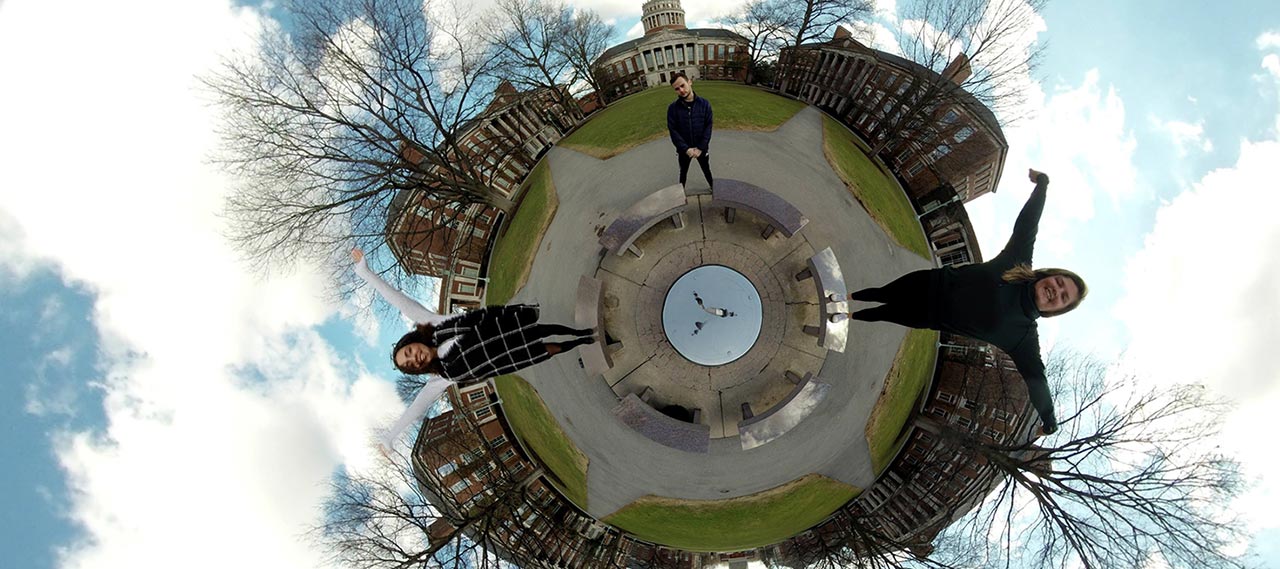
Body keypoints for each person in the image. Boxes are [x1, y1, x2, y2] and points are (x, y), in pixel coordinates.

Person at [847, 169, 1087, 435]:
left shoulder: (1023, 338)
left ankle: (849, 316)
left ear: (1059, 310)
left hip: (925, 315)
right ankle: (846, 298)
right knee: (883, 293)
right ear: (1050, 275)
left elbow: (1036, 380)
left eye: (1063, 297)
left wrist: (1049, 420)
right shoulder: (1017, 264)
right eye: (1059, 282)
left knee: (883, 313)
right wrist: (1043, 184)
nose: (1056, 291)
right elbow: (1029, 223)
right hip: (928, 282)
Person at [352, 248, 595, 447]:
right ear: (418, 369)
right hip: (507, 356)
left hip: (503, 327)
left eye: (409, 352)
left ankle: (580, 333)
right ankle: (579, 342)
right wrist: (390, 436)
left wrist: (366, 273)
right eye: (411, 364)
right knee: (548, 349)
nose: (414, 358)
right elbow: (416, 408)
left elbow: (398, 300)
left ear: (412, 342)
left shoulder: (434, 325)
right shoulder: (441, 378)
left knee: (544, 329)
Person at [667, 72, 714, 189]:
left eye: (682, 85)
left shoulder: (704, 104)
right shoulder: (672, 108)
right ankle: (680, 194)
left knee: (706, 170)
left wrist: (701, 147)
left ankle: (713, 187)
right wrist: (685, 148)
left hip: (701, 148)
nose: (681, 90)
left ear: (689, 82)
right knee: (683, 173)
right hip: (684, 150)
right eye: (677, 89)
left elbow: (708, 126)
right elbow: (673, 131)